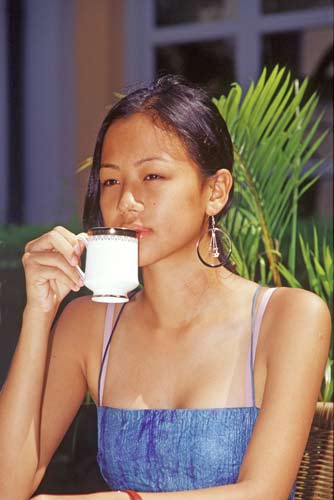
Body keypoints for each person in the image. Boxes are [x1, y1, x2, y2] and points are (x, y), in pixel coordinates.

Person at [0, 75, 331, 500]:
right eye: (111, 181)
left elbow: (263, 491)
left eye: (153, 176)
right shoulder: (90, 324)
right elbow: (8, 485)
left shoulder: (288, 318)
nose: (127, 202)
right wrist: (38, 314)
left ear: (216, 191)